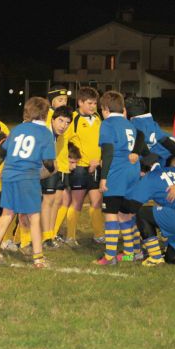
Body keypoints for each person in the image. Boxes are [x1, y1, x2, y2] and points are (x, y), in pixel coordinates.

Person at [0, 97, 56, 268]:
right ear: (45, 114)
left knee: (7, 214)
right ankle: (38, 258)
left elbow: (5, 148)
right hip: (27, 176)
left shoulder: (18, 128)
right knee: (34, 217)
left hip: (8, 174)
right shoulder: (45, 133)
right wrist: (52, 169)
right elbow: (48, 163)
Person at [94, 91, 142, 265]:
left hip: (117, 172)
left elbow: (108, 152)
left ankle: (110, 256)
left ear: (105, 109)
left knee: (111, 214)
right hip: (132, 172)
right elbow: (140, 140)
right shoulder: (129, 124)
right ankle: (130, 253)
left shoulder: (107, 124)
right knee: (125, 214)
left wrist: (103, 177)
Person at [66, 86, 104, 246]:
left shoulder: (97, 118)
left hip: (97, 167)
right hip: (80, 169)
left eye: (95, 103)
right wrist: (74, 161)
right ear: (80, 102)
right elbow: (66, 143)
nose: (93, 106)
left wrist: (100, 160)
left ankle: (99, 235)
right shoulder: (73, 119)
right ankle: (70, 236)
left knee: (96, 202)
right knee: (77, 203)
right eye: (89, 103)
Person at [41, 104, 73, 249]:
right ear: (52, 119)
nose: (63, 126)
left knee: (51, 200)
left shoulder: (56, 135)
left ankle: (48, 236)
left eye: (67, 123)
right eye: (60, 121)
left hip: (49, 168)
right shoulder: (44, 132)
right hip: (30, 170)